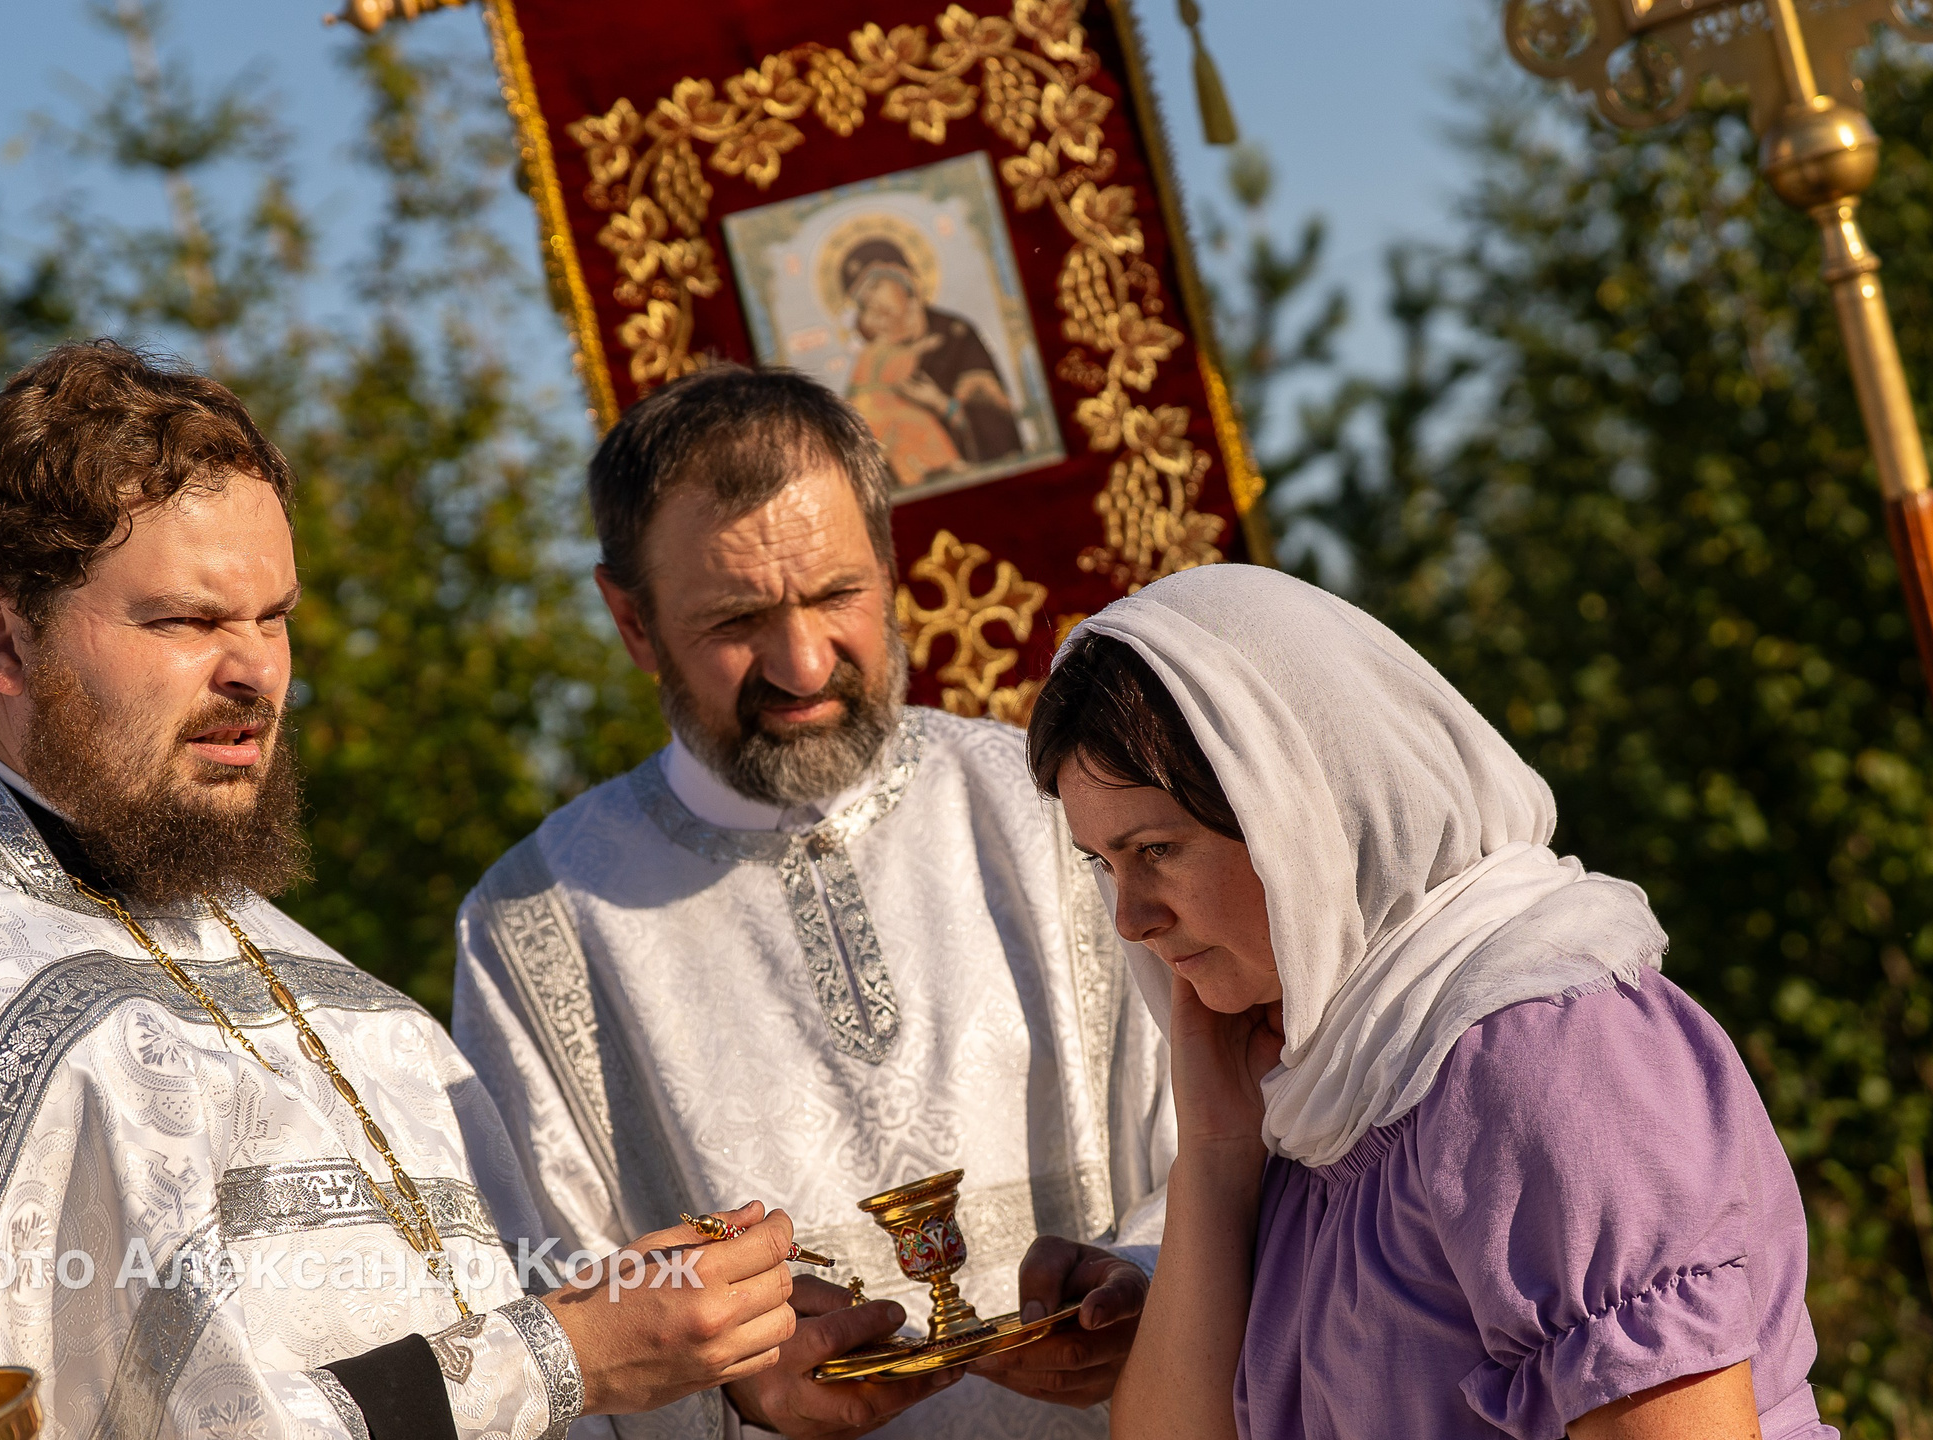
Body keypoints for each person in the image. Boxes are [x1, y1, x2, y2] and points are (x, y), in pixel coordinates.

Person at [0, 341, 806, 1440]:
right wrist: (563, 1355)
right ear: (0, 638)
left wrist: (726, 1373)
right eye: (187, 621)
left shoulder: (347, 1005)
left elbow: (527, 1343)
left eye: (274, 616)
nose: (258, 671)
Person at [452, 364, 1170, 1440]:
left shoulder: (1061, 810)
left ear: (889, 565)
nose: (801, 664)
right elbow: (540, 1303)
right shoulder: (533, 921)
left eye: (837, 596)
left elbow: (1225, 1127)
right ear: (633, 623)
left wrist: (1144, 1285)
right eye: (737, 618)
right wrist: (738, 1393)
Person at [1027, 565, 1838, 1440]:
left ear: (1301, 811)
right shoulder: (1329, 1102)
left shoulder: (1542, 1057)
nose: (1132, 919)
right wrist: (1217, 1151)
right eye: (1104, 864)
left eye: (1156, 849)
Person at [838, 238, 1022, 486]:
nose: (872, 301)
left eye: (876, 286)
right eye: (862, 300)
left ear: (905, 282)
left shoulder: (956, 336)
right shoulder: (877, 353)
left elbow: (996, 427)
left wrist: (941, 404)